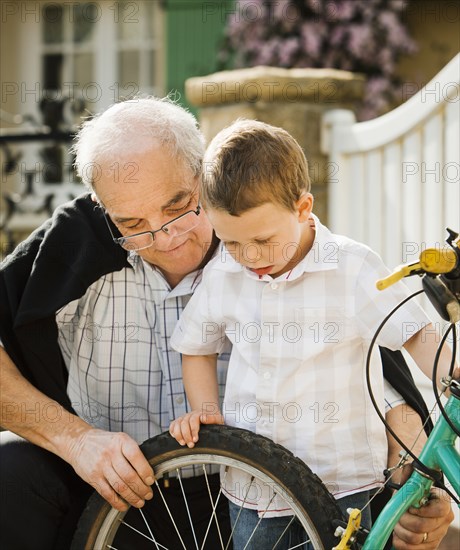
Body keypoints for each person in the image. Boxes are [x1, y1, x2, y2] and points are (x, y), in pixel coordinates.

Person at [0, 97, 453, 550]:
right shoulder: (73, 243)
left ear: (206, 173)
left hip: (238, 495)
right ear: (103, 207)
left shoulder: (266, 238)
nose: (165, 238)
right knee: (10, 471)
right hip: (111, 492)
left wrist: (412, 468)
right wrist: (76, 441)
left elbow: (364, 352)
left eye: (179, 206)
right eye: (133, 223)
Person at [169, 119, 457, 548]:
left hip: (343, 484)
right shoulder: (224, 274)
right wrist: (206, 410)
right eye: (231, 243)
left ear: (303, 208)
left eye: (263, 240)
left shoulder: (352, 266)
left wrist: (451, 370)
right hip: (256, 485)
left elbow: (414, 334)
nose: (248, 257)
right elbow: (195, 346)